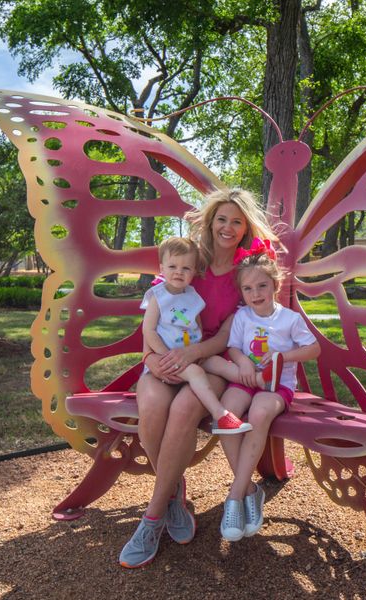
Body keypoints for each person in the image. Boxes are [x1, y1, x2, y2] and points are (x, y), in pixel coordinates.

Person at [119, 188, 278, 569]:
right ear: (210, 221)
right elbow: (156, 308)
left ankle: (153, 517)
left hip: (213, 360)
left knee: (185, 408)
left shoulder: (245, 271)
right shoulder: (191, 259)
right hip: (165, 354)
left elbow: (226, 332)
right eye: (221, 219)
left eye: (236, 221)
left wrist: (194, 354)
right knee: (154, 404)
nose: (228, 227)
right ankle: (175, 493)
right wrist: (150, 356)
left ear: (244, 229)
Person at [211, 250, 321, 542]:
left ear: (275, 284)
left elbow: (313, 348)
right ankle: (250, 490)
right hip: (247, 380)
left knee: (259, 413)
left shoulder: (289, 319)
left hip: (276, 386)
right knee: (226, 413)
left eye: (261, 285)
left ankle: (234, 496)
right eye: (248, 288)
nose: (255, 293)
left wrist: (282, 356)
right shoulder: (242, 317)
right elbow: (234, 348)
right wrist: (243, 362)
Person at [140, 236, 252, 435]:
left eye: (186, 268)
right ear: (162, 268)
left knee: (218, 363)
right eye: (172, 266)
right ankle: (221, 416)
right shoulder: (157, 296)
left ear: (194, 272)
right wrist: (166, 356)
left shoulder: (193, 296)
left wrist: (197, 353)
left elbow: (197, 327)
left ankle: (259, 380)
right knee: (197, 374)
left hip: (190, 357)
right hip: (170, 358)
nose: (178, 272)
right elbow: (148, 330)